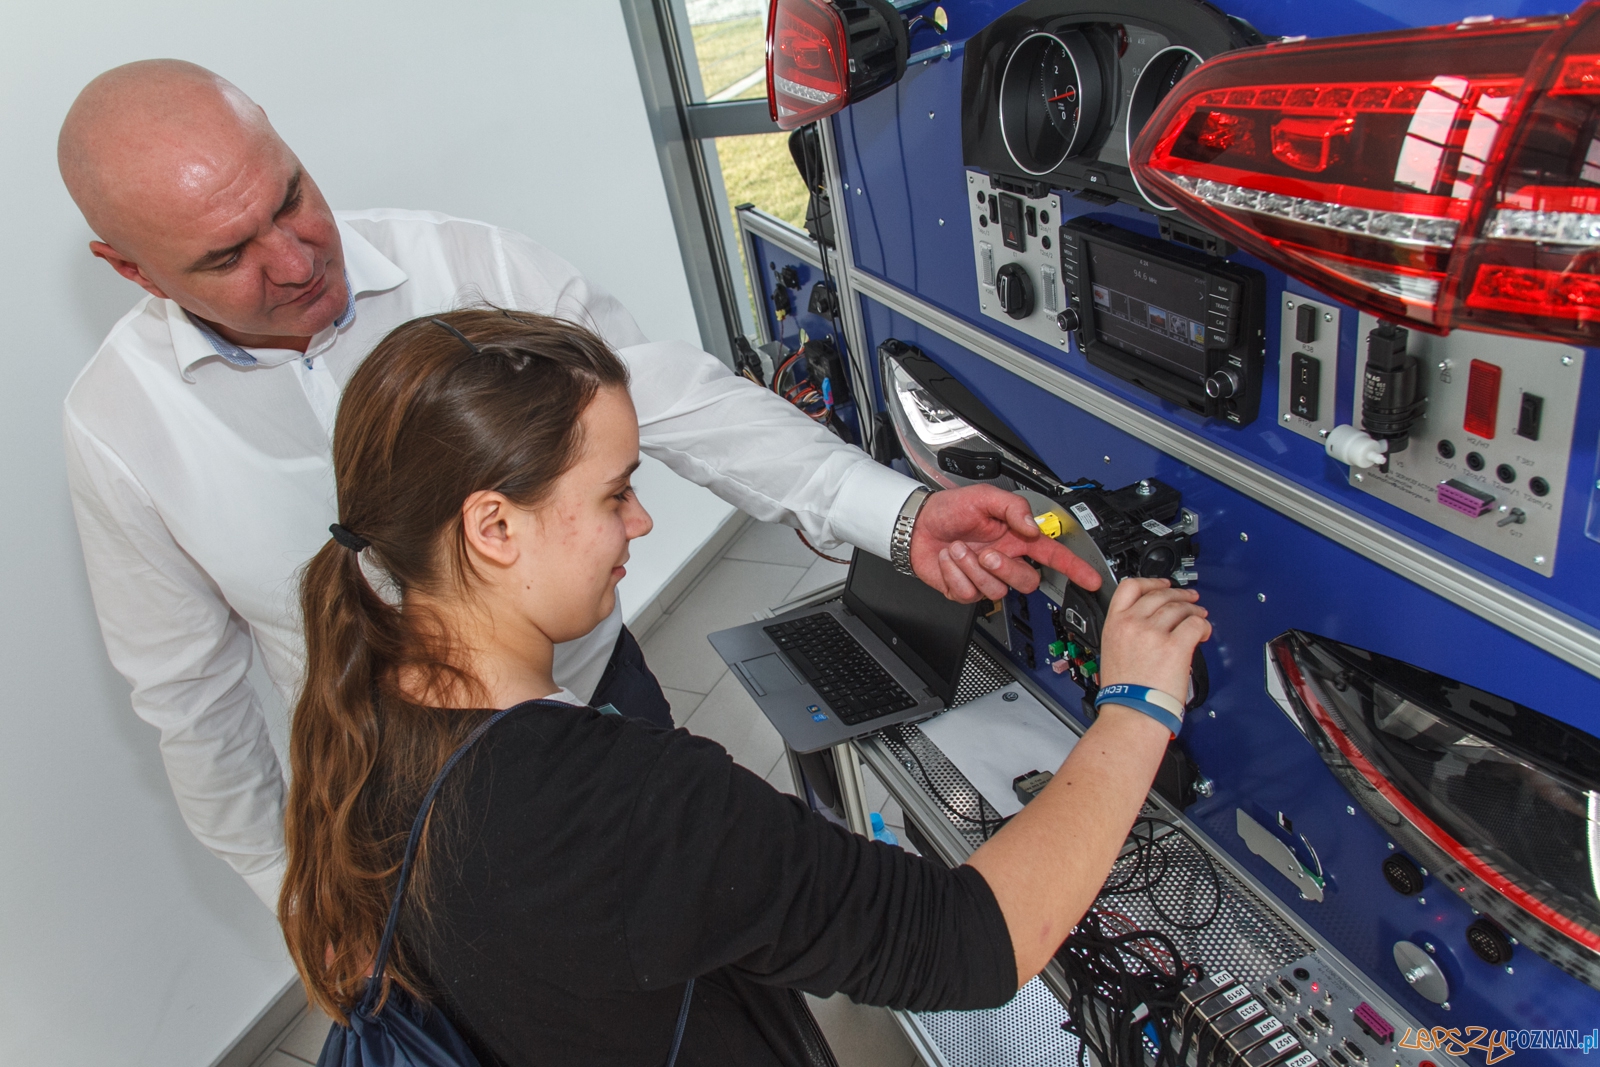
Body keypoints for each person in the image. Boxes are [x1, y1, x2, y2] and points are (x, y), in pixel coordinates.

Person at [57, 60, 1104, 907]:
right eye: (228, 256)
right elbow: (190, 700)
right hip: (396, 803)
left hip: (600, 705)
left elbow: (679, 402)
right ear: (132, 270)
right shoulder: (117, 429)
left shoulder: (464, 265)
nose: (294, 262)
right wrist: (298, 898)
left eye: (292, 198)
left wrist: (901, 514)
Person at [281, 308, 1212, 1067]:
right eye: (614, 493)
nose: (642, 521)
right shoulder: (622, 804)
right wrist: (1137, 703)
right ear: (493, 528)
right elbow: (973, 940)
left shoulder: (372, 709)